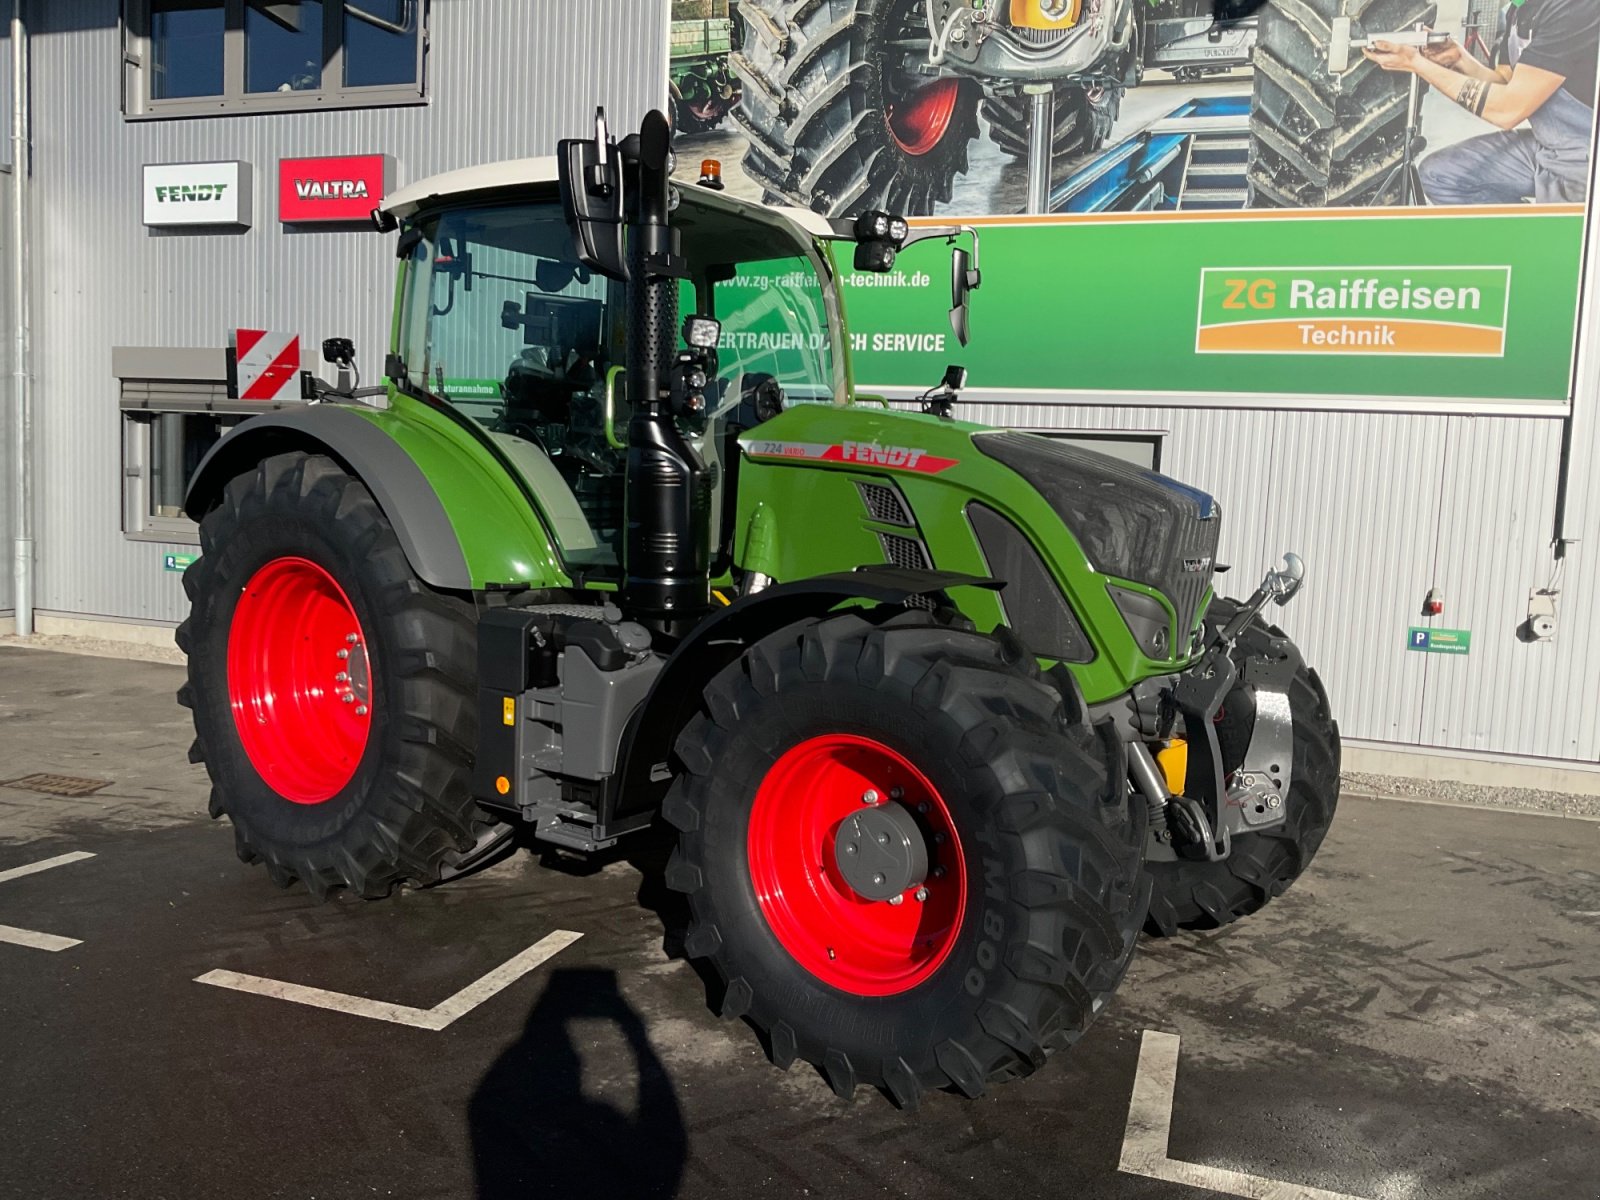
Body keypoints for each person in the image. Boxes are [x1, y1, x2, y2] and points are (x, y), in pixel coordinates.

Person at [1363, 0, 1598, 204]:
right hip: (1547, 145)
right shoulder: (1518, 11)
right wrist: (1460, 59)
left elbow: (1508, 110)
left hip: (1585, 155)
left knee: (1567, 242)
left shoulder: (1575, 7)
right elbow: (1506, 82)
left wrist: (1417, 64)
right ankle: (1520, 241)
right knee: (1441, 175)